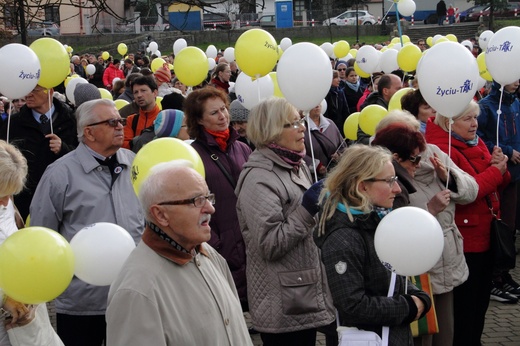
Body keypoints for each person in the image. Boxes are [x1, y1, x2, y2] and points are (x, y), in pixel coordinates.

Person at [29, 99, 144, 346]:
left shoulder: (134, 162)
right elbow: (43, 233)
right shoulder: (60, 174)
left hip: (132, 294)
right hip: (83, 301)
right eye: (111, 122)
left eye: (121, 121)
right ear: (88, 131)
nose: (120, 127)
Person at [106, 162, 252, 346]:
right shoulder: (137, 291)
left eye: (208, 197)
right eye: (196, 201)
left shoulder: (207, 254)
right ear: (161, 215)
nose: (210, 208)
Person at [235, 97, 335, 346]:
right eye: (292, 123)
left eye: (300, 120)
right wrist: (307, 210)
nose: (302, 127)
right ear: (271, 132)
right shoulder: (259, 178)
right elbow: (269, 244)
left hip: (301, 293)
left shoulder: (293, 163)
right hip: (283, 302)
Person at [374, 113, 477, 346]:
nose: (419, 159)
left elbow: (472, 190)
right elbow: (395, 225)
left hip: (445, 261)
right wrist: (429, 210)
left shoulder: (434, 154)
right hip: (416, 273)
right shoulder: (386, 177)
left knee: (444, 334)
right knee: (420, 335)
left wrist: (448, 177)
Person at [315, 144, 431, 345]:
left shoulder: (378, 222)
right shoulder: (343, 238)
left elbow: (394, 278)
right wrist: (408, 307)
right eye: (389, 181)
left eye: (395, 179)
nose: (397, 188)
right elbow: (352, 305)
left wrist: (420, 296)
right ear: (362, 186)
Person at [425, 100, 510, 346]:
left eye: (475, 118)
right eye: (467, 119)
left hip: (485, 233)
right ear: (449, 122)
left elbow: (495, 186)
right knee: (466, 308)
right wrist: (496, 172)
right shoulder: (442, 149)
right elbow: (467, 192)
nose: (475, 124)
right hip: (466, 239)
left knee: (480, 303)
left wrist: (499, 168)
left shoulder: (476, 141)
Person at [184, 87, 251, 310]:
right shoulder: (193, 156)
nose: (223, 116)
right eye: (214, 113)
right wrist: (215, 243)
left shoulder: (241, 148)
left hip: (249, 244)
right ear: (199, 120)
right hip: (218, 246)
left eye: (224, 109)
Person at [0, 85, 78, 220]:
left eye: (35, 90)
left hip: (63, 197)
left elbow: (83, 156)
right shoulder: (12, 124)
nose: (28, 95)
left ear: (50, 91)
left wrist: (63, 148)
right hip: (24, 200)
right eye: (26, 90)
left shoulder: (71, 119)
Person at [478, 80, 520, 303]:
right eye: (512, 77)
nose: (517, 82)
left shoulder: (516, 104)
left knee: (510, 227)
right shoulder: (486, 107)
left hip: (515, 174)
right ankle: (495, 277)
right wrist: (508, 150)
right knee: (500, 226)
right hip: (500, 173)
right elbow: (481, 139)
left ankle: (504, 273)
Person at [303, 102, 344, 179]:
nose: (317, 105)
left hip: (335, 175)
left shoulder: (330, 124)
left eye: (319, 102)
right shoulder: (302, 128)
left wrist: (338, 155)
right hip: (313, 178)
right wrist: (316, 165)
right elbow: (299, 153)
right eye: (314, 103)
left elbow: (343, 146)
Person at [122, 75, 161, 149]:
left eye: (143, 91)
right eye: (135, 92)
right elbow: (125, 146)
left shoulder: (164, 119)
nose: (139, 95)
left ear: (155, 93)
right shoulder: (131, 120)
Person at [324, 70, 349, 136]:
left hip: (340, 125)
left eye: (339, 77)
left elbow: (345, 109)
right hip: (329, 125)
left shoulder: (340, 92)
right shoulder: (325, 93)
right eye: (336, 78)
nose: (339, 80)